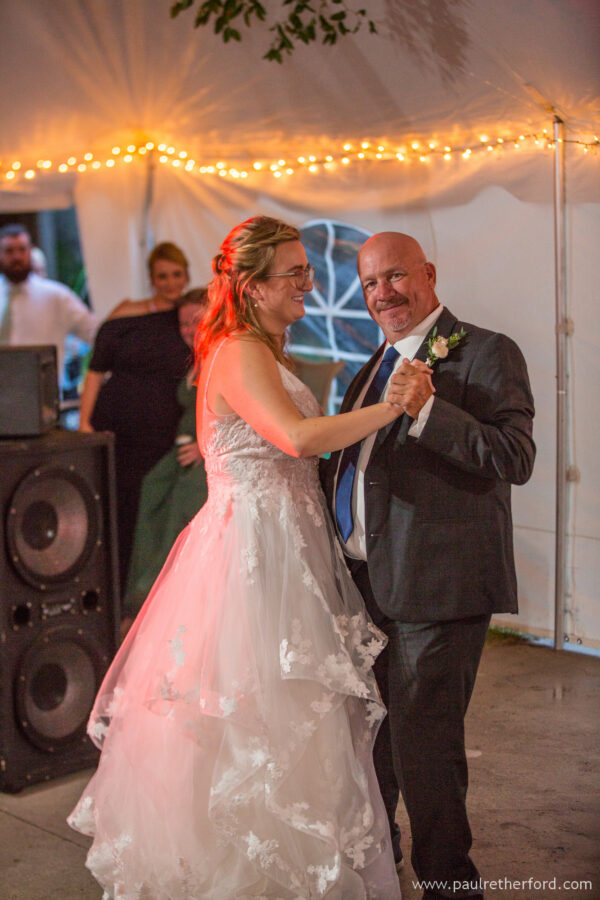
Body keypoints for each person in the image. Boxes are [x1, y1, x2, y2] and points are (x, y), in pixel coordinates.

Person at [68, 215, 405, 899]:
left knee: (294, 727)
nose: (309, 283)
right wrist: (390, 407)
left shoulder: (254, 346)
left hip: (285, 544)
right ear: (252, 286)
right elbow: (296, 437)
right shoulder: (241, 351)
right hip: (258, 557)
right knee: (261, 727)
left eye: (306, 269)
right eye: (295, 273)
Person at [320, 231, 536, 899]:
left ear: (430, 274)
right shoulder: (373, 360)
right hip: (369, 587)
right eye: (371, 284)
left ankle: (449, 884)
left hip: (439, 589)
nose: (383, 293)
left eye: (395, 277)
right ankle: (381, 868)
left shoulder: (489, 351)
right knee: (375, 741)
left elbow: (514, 457)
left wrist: (430, 411)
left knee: (426, 749)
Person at [78, 241, 191, 589]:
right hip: (118, 429)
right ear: (151, 279)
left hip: (162, 432)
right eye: (162, 276)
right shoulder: (128, 312)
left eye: (176, 274)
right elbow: (95, 372)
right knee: (117, 506)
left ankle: (144, 587)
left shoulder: (191, 318)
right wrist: (84, 423)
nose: (170, 282)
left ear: (186, 276)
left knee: (149, 508)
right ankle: (114, 586)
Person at [122, 288, 209, 629]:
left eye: (196, 321)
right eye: (184, 324)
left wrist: (205, 445)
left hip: (208, 453)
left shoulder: (221, 354)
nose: (189, 330)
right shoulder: (195, 357)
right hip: (182, 451)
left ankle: (160, 601)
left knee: (180, 503)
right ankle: (141, 596)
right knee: (151, 487)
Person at [0, 223, 98, 377]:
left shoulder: (56, 296)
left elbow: (94, 333)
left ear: (30, 251)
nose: (17, 257)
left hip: (41, 393)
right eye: (9, 251)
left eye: (22, 249)